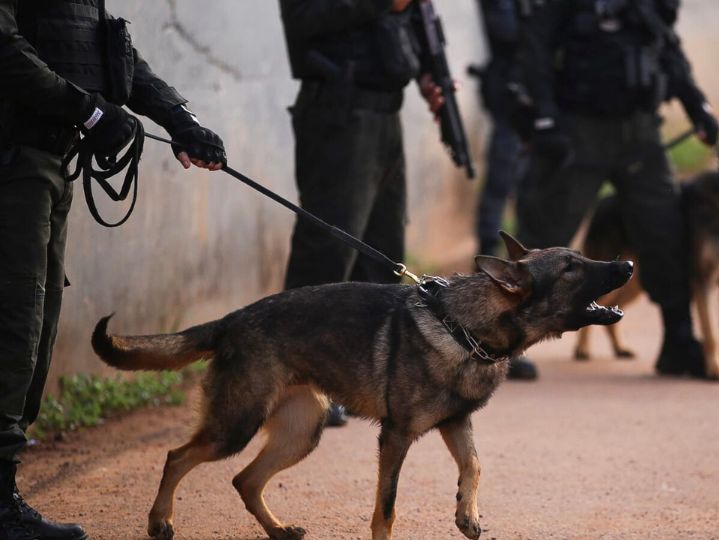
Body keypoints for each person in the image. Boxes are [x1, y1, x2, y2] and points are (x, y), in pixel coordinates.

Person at [0, 1, 226, 538]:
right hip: (13, 161)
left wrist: (179, 118)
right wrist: (91, 112)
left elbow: (109, 52)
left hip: (50, 163)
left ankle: (5, 491)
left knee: (37, 323)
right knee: (12, 323)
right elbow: (6, 50)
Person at [514, 0, 719, 377]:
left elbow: (667, 48)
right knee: (545, 234)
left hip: (640, 131)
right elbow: (535, 48)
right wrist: (544, 115)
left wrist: (697, 104)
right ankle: (505, 342)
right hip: (579, 129)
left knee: (665, 232)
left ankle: (678, 339)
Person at [278, 0, 458, 424]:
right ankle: (293, 380)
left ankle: (352, 382)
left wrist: (428, 74)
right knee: (328, 248)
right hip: (338, 111)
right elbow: (303, 19)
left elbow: (405, 21)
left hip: (384, 113)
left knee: (382, 252)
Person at [473, 0, 539, 381]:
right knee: (499, 192)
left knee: (531, 198)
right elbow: (508, 33)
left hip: (542, 97)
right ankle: (486, 294)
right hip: (512, 97)